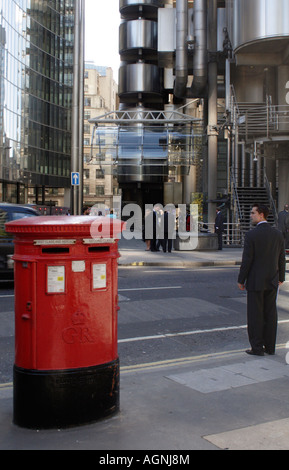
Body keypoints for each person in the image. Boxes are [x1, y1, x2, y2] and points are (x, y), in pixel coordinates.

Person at [238, 203, 286, 356]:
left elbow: (247, 260)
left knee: (255, 315)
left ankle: (257, 348)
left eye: (252, 213)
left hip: (255, 281)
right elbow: (281, 258)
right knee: (270, 315)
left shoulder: (251, 235)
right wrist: (281, 278)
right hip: (272, 280)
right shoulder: (277, 234)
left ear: (260, 214)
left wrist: (241, 280)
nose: (250, 215)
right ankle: (270, 347)